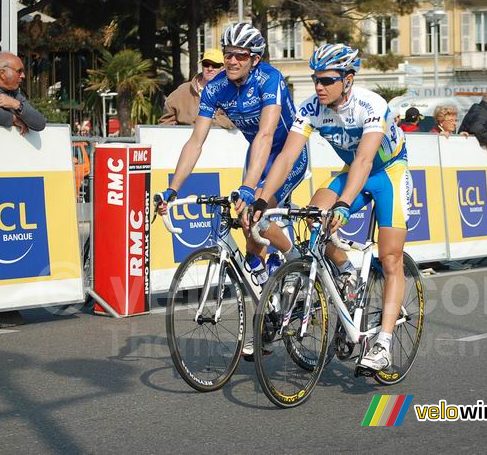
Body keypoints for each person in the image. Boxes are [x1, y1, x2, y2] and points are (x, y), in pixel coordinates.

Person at [250, 43, 410, 373]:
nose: (318, 87)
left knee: (390, 257)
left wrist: (344, 205)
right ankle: (348, 273)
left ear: (347, 80)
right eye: (315, 79)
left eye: (326, 80)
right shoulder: (311, 108)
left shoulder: (371, 105)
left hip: (387, 173)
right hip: (353, 172)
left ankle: (383, 342)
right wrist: (264, 199)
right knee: (313, 216)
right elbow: (286, 157)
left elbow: (366, 160)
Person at [155, 23, 309, 350]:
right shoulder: (216, 88)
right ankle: (271, 306)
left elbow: (267, 135)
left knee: (258, 218)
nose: (232, 60)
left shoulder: (270, 79)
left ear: (254, 58)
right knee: (248, 230)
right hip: (257, 155)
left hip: (287, 154)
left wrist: (252, 189)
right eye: (228, 54)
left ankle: (296, 265)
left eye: (240, 55)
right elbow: (196, 141)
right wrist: (172, 189)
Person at [158, 49, 235, 129]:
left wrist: (206, 120)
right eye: (206, 64)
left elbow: (236, 120)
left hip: (220, 139)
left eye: (215, 65)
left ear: (223, 68)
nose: (210, 68)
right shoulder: (182, 91)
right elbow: (166, 122)